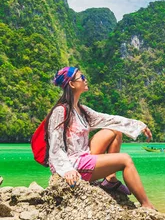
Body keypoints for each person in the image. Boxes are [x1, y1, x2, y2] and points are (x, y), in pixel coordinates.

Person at [44, 66, 155, 209]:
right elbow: (55, 146)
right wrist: (67, 170)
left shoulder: (81, 110)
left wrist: (139, 125)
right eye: (81, 77)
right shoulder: (60, 111)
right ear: (72, 84)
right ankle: (147, 206)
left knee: (115, 131)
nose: (85, 80)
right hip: (72, 163)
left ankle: (110, 179)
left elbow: (109, 120)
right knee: (125, 160)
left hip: (83, 155)